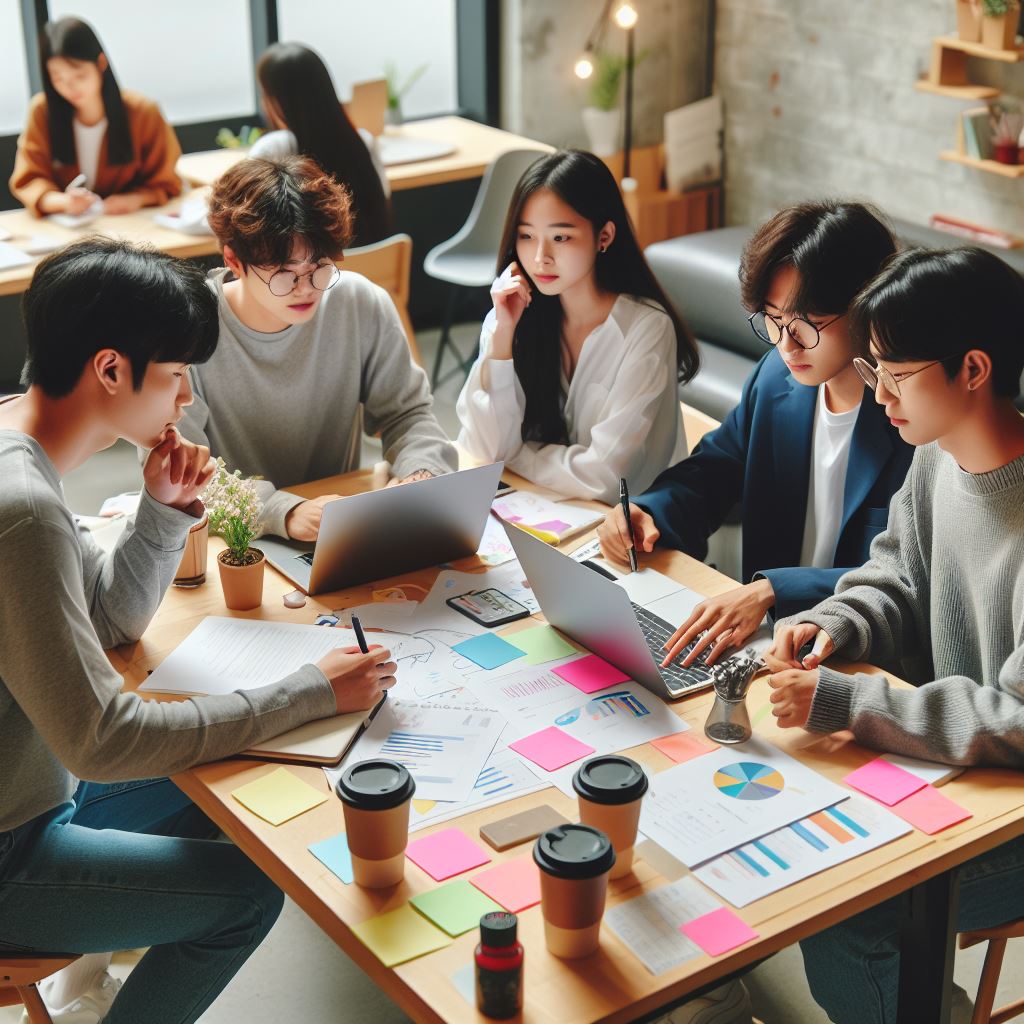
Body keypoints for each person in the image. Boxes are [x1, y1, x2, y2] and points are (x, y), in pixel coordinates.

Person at [0, 237, 397, 1024]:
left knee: (221, 788)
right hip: (14, 845)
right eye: (178, 375)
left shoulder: (23, 447)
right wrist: (306, 690)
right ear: (111, 370)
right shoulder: (25, 511)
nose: (186, 399)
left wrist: (163, 508)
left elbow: (109, 619)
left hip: (39, 788)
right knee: (247, 897)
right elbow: (102, 742)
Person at [767, 246, 1024, 1024]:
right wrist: (831, 625)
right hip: (964, 776)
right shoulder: (940, 456)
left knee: (849, 912)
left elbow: (1018, 719)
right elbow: (899, 576)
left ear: (973, 369)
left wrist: (850, 701)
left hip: (1013, 805)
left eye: (895, 374)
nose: (877, 396)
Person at [598, 200, 913, 669]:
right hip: (762, 644)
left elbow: (907, 575)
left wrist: (772, 591)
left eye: (806, 324)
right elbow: (716, 467)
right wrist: (648, 511)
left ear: (865, 306)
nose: (786, 344)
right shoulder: (777, 379)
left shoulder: (915, 421)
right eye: (773, 319)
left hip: (856, 658)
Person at [178, 155, 456, 541]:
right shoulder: (185, 331)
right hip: (236, 543)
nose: (306, 288)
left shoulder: (360, 303)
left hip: (338, 525)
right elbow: (181, 474)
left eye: (319, 266)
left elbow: (407, 414)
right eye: (284, 274)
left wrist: (421, 473)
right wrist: (284, 513)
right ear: (234, 261)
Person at [456, 149, 699, 505]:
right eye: (526, 236)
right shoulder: (512, 311)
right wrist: (502, 337)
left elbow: (606, 477)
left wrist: (518, 455)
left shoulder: (646, 328)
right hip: (547, 513)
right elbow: (482, 446)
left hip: (636, 534)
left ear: (604, 236)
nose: (540, 257)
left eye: (560, 237)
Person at [10, 16, 181, 217]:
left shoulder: (143, 111)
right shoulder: (42, 111)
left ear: (101, 63)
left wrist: (136, 199)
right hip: (66, 232)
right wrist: (63, 202)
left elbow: (165, 181)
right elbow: (30, 178)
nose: (69, 87)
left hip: (129, 227)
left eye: (79, 76)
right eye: (57, 79)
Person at [249, 41, 393, 248]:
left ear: (276, 100)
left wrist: (186, 219)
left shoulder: (274, 149)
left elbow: (237, 212)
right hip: (366, 274)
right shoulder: (363, 142)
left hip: (312, 278)